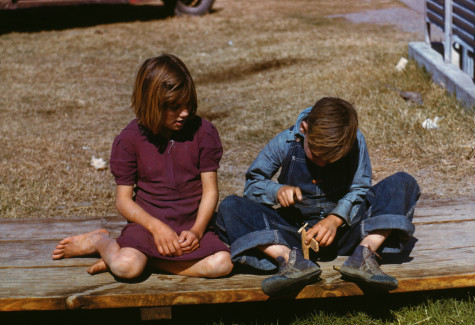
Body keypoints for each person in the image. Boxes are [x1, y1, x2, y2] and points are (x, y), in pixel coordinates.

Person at [52, 54, 233, 279]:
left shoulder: (203, 132)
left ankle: (149, 262)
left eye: (187, 104)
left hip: (191, 225)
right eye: (175, 106)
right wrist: (156, 228)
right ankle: (100, 241)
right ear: (152, 103)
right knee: (126, 267)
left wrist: (197, 230)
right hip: (147, 227)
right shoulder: (129, 139)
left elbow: (210, 191)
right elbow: (123, 200)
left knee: (222, 264)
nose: (185, 112)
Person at [215, 97, 420, 296]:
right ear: (304, 128)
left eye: (331, 159)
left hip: (345, 232)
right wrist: (276, 191)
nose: (322, 164)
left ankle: (363, 255)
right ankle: (290, 262)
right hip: (293, 235)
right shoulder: (284, 143)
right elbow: (252, 185)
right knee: (230, 206)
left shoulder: (355, 140)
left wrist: (334, 219)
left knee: (402, 182)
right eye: (316, 153)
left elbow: (359, 188)